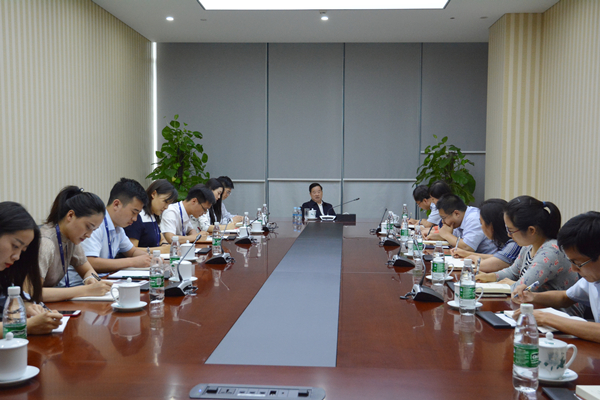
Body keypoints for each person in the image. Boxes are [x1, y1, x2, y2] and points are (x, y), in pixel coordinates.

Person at [476, 196, 580, 312]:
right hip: (534, 307)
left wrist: (512, 283)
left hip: (560, 314)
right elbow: (512, 272)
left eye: (511, 230)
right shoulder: (529, 246)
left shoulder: (551, 251)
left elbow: (522, 288)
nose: (509, 235)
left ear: (531, 230)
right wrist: (490, 277)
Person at [512, 212, 600, 342]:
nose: (574, 269)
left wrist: (547, 318)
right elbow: (565, 297)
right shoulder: (593, 278)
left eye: (578, 263)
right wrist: (532, 296)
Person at [0, 202, 63, 336]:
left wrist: (28, 307)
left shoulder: (4, 273)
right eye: (15, 246)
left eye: (23, 250)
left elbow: (9, 298)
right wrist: (27, 326)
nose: (17, 257)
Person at [38, 187, 112, 302]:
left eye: (93, 230)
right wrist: (86, 290)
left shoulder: (71, 238)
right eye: (88, 227)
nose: (89, 235)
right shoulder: (45, 243)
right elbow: (34, 293)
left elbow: (88, 270)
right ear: (70, 216)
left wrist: (92, 279)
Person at [80, 178, 153, 276]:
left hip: (102, 280)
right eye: (133, 212)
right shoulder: (95, 224)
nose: (135, 219)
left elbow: (132, 251)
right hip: (82, 282)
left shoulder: (118, 229)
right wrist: (132, 262)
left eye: (138, 214)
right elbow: (90, 262)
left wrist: (152, 259)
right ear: (116, 204)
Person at [451, 199, 521, 272]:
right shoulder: (501, 240)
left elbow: (484, 265)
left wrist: (473, 257)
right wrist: (467, 254)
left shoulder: (514, 243)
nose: (481, 227)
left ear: (491, 226)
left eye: (481, 223)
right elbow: (497, 257)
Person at [426, 193, 497, 254]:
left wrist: (446, 235)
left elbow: (467, 247)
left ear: (456, 213)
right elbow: (455, 239)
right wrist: (433, 237)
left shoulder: (474, 218)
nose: (442, 221)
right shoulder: (459, 219)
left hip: (490, 261)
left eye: (444, 218)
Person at [124, 179, 178, 251]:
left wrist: (165, 245)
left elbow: (161, 239)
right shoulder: (137, 216)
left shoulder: (153, 215)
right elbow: (130, 250)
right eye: (165, 202)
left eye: (169, 204)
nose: (166, 207)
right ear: (153, 194)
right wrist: (161, 250)